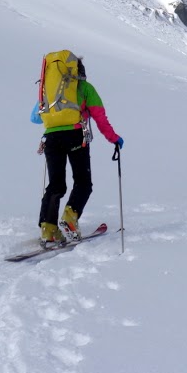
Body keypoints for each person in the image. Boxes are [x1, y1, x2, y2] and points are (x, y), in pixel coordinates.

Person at [31, 53, 123, 244]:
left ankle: (48, 229)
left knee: (55, 185)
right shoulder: (85, 89)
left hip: (51, 138)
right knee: (83, 182)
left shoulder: (49, 91)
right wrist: (114, 139)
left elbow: (35, 117)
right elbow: (100, 118)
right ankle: (70, 218)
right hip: (75, 137)